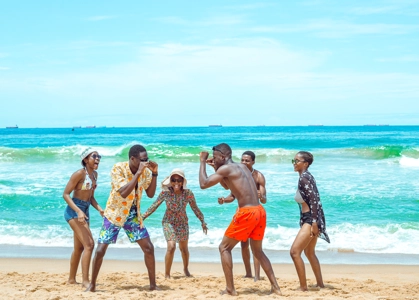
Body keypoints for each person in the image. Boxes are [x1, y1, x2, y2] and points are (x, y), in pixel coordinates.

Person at [199, 143, 281, 296]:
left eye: (215, 157)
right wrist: (216, 168)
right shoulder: (242, 167)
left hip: (247, 212)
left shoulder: (226, 169)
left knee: (224, 248)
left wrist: (202, 161)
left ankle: (230, 289)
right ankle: (275, 286)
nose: (213, 159)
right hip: (259, 211)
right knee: (258, 251)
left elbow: (203, 184)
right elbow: (228, 185)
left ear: (223, 157)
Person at [86, 144, 159, 292]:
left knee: (149, 248)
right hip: (115, 213)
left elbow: (150, 194)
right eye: (142, 160)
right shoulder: (118, 168)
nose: (146, 162)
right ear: (133, 159)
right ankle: (92, 285)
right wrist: (138, 173)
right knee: (100, 250)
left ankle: (153, 286)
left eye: (147, 159)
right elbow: (124, 193)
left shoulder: (144, 172)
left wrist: (155, 174)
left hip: (133, 216)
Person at [142, 168, 208, 279]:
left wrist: (202, 221)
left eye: (179, 180)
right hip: (168, 222)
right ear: (170, 181)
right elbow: (154, 205)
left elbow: (195, 208)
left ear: (183, 181)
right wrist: (142, 217)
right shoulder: (165, 193)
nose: (176, 183)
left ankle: (186, 269)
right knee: (171, 246)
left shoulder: (188, 193)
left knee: (184, 249)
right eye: (174, 180)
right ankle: (167, 274)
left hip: (183, 223)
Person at [218, 150, 266, 281]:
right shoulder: (238, 174)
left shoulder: (258, 176)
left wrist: (261, 196)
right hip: (242, 213)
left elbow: (264, 198)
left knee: (255, 247)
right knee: (244, 245)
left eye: (247, 160)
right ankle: (248, 273)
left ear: (253, 162)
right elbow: (232, 196)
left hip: (253, 213)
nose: (244, 162)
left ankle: (257, 275)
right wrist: (224, 200)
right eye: (242, 160)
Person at [63, 148, 104, 288]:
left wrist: (99, 209)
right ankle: (86, 281)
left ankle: (71, 279)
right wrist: (79, 211)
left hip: (85, 209)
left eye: (99, 156)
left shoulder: (95, 175)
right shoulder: (79, 174)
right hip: (74, 211)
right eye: (94, 156)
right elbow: (66, 194)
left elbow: (90, 197)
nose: (97, 158)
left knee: (79, 248)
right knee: (89, 245)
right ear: (86, 159)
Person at [290, 151, 330, 291]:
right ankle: (320, 284)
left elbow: (314, 201)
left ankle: (303, 287)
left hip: (310, 219)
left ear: (305, 163)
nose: (294, 163)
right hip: (311, 218)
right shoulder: (306, 176)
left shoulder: (304, 178)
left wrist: (314, 223)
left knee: (295, 252)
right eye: (293, 161)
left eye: (297, 161)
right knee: (309, 252)